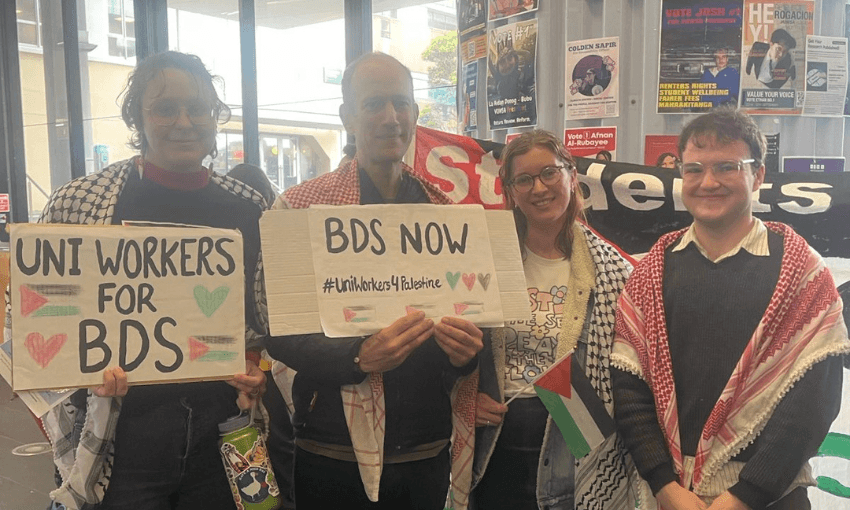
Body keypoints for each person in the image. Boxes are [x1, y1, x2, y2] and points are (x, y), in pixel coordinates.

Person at [30, 51, 267, 510]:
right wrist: (79, 374)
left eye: (197, 108)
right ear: (138, 117)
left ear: (215, 117)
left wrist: (252, 365)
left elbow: (258, 313)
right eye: (164, 108)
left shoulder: (249, 207)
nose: (184, 121)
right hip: (125, 436)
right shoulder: (82, 203)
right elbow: (32, 321)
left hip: (222, 429)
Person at [265, 52, 483, 509]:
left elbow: (470, 322)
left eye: (401, 103)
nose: (391, 118)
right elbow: (280, 332)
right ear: (347, 116)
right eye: (374, 104)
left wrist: (463, 355)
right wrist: (358, 356)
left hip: (425, 449)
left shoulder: (448, 216)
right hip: (330, 450)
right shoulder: (299, 210)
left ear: (416, 114)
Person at [612, 108, 849, 509]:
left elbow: (815, 399)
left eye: (727, 167)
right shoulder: (653, 269)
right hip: (673, 498)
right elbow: (630, 386)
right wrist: (665, 487)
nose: (708, 182)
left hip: (774, 498)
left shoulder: (802, 272)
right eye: (694, 169)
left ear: (757, 175)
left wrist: (743, 497)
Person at [467, 130, 634, 509]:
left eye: (548, 173)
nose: (538, 187)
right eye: (523, 179)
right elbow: (453, 352)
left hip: (573, 444)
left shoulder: (611, 270)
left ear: (571, 175)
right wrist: (465, 400)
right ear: (509, 190)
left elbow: (627, 371)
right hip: (495, 447)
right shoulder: (483, 260)